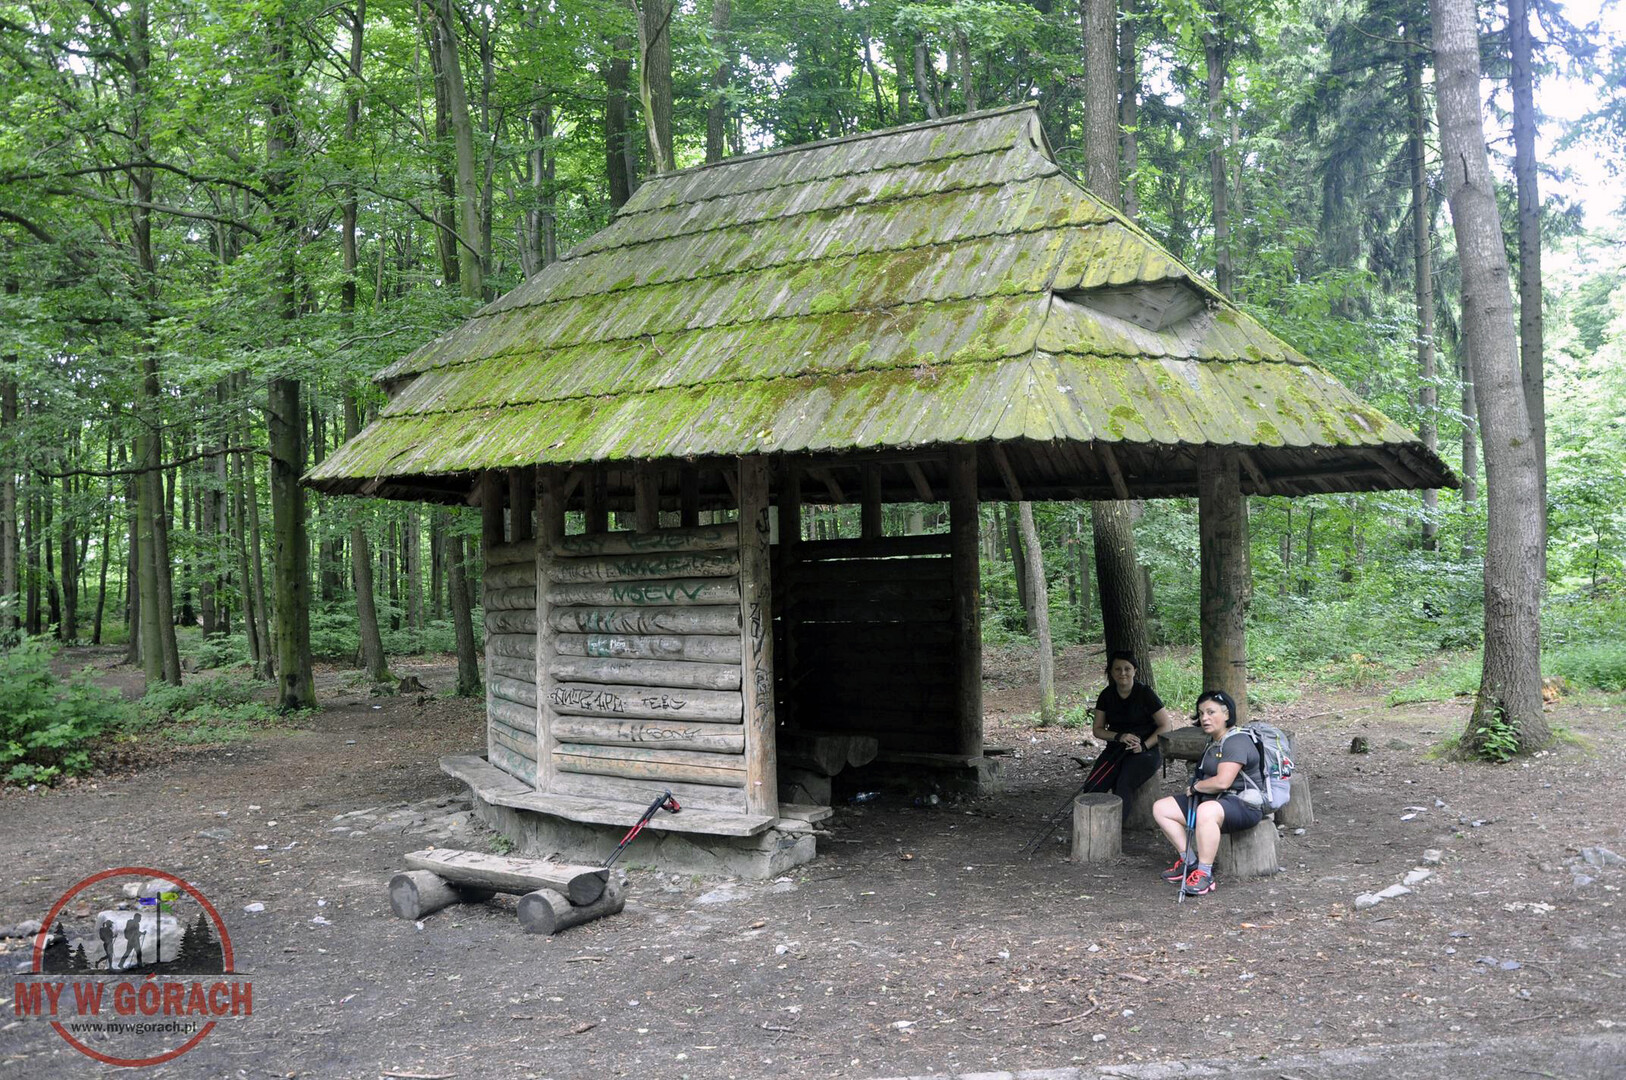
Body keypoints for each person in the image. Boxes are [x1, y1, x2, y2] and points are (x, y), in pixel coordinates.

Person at [1151, 689, 1263, 896]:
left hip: (1243, 804)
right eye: (1201, 713)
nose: (1204, 718)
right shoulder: (1213, 741)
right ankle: (1189, 861)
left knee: (1206, 811)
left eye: (1211, 712)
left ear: (1227, 714)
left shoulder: (1237, 741)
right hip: (1214, 801)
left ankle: (1204, 875)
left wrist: (1197, 787)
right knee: (1161, 808)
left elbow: (1222, 782)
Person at [1082, 651, 1176, 807]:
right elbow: (1097, 729)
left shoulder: (1145, 693)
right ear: (1111, 672)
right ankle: (1092, 821)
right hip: (1116, 749)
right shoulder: (1106, 695)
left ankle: (1117, 822)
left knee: (1123, 785)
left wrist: (1144, 746)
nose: (1123, 673)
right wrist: (1119, 736)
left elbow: (1166, 725)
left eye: (1127, 668)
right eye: (1117, 669)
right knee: (1092, 788)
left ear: (1135, 671)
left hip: (1147, 751)